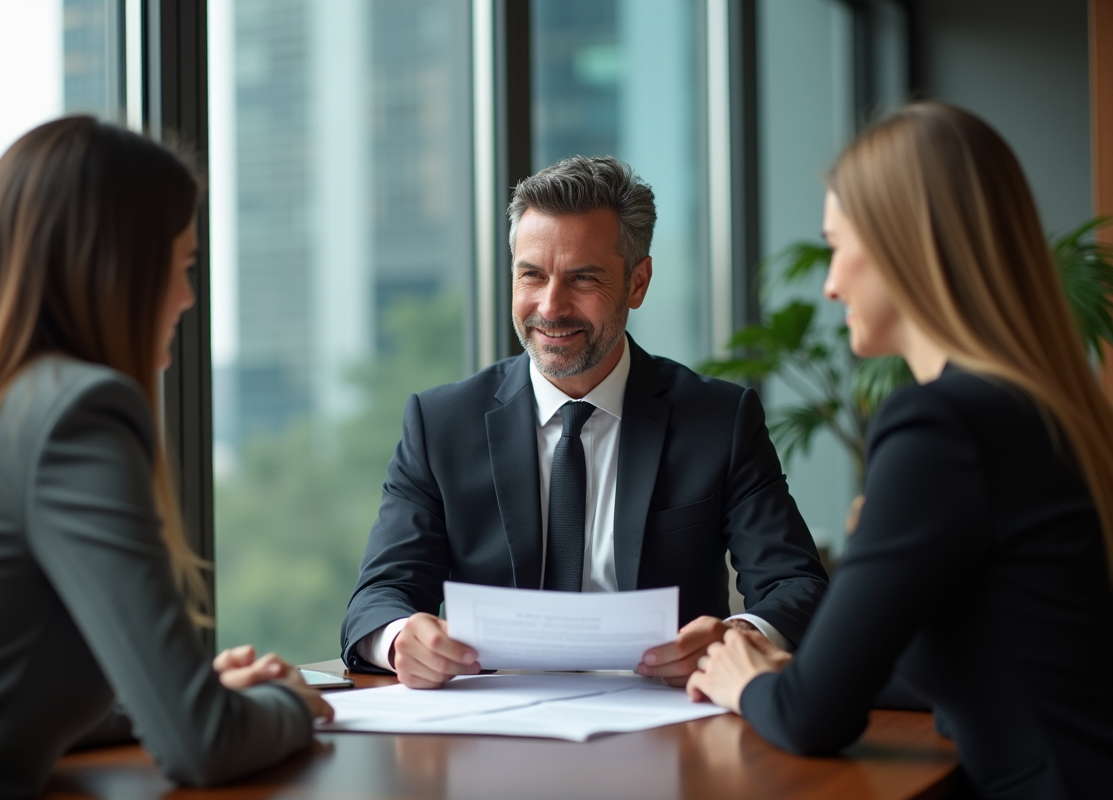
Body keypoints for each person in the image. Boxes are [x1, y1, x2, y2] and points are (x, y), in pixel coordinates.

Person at [686, 102, 1113, 799]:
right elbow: (998, 660)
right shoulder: (1036, 405)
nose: (830, 285)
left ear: (902, 245)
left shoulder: (941, 424)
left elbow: (810, 719)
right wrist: (796, 671)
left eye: (836, 246)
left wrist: (748, 682)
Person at [0, 117, 333, 798]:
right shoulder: (77, 414)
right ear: (116, 268)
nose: (188, 298)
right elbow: (201, 746)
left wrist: (180, 694)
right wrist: (289, 702)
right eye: (183, 266)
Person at [341, 156, 829, 689]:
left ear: (637, 283)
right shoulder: (440, 425)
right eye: (532, 274)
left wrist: (737, 639)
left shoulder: (718, 420)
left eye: (583, 278)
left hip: (669, 717)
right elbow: (378, 597)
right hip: (492, 719)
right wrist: (400, 639)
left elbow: (796, 584)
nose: (551, 307)